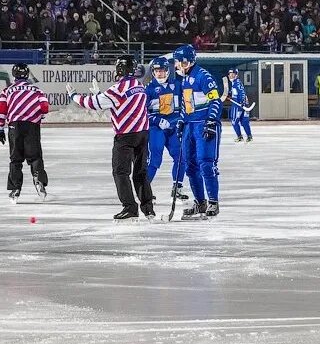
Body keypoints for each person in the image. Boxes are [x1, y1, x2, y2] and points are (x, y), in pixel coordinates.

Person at [67, 55, 154, 220]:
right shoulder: (139, 85)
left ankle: (130, 207)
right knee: (140, 172)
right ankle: (148, 207)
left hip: (126, 136)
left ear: (119, 69)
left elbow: (93, 103)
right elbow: (120, 104)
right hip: (143, 134)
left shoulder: (118, 88)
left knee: (120, 172)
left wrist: (74, 96)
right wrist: (101, 94)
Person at [173, 44, 223, 219]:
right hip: (190, 126)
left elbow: (216, 101)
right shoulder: (184, 79)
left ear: (187, 62)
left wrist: (211, 121)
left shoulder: (203, 76)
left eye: (179, 62)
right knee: (190, 165)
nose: (177, 65)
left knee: (206, 163)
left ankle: (213, 202)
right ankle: (200, 202)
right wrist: (181, 120)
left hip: (203, 125)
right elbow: (186, 105)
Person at [0, 63, 50, 202]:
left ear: (14, 75)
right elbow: (44, 106)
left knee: (15, 159)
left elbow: (1, 110)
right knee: (35, 157)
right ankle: (39, 179)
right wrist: (39, 116)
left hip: (15, 126)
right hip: (32, 126)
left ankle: (15, 189)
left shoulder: (7, 91)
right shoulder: (36, 90)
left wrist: (0, 128)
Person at [144, 56, 187, 202]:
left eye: (162, 71)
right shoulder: (148, 90)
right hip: (157, 129)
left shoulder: (177, 85)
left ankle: (177, 188)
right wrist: (156, 120)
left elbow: (186, 102)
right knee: (155, 160)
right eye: (156, 71)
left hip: (173, 127)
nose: (159, 74)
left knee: (181, 157)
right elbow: (141, 113)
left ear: (167, 71)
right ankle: (144, 190)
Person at [226, 68, 253, 143]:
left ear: (236, 75)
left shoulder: (236, 83)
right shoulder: (237, 82)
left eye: (232, 74)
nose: (230, 76)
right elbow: (237, 93)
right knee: (244, 122)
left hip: (238, 106)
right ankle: (249, 136)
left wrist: (242, 102)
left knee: (234, 121)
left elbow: (241, 93)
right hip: (244, 105)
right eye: (229, 74)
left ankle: (239, 136)